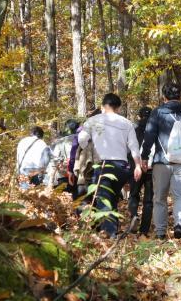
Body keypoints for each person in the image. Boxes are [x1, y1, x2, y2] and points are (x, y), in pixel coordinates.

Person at [141, 82, 181, 240]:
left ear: (164, 96)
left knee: (159, 198)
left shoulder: (157, 113)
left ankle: (161, 232)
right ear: (180, 96)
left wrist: (144, 156)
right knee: (180, 196)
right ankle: (179, 225)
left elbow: (149, 136)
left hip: (161, 162)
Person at [78, 94, 142, 238]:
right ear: (118, 107)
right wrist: (137, 166)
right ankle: (112, 229)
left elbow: (81, 139)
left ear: (103, 106)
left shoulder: (93, 120)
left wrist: (90, 145)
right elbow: (134, 146)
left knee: (102, 198)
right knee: (111, 197)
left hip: (103, 165)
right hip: (122, 167)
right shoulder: (126, 123)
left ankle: (110, 233)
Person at [127, 107, 154, 235]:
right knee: (148, 199)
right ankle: (144, 229)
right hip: (151, 166)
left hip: (136, 166)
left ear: (140, 115)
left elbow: (129, 148)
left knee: (134, 194)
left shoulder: (134, 128)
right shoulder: (156, 127)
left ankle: (133, 218)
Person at [45, 119, 79, 192]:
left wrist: (51, 179)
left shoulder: (61, 141)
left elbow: (55, 159)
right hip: (82, 173)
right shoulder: (83, 138)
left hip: (65, 173)